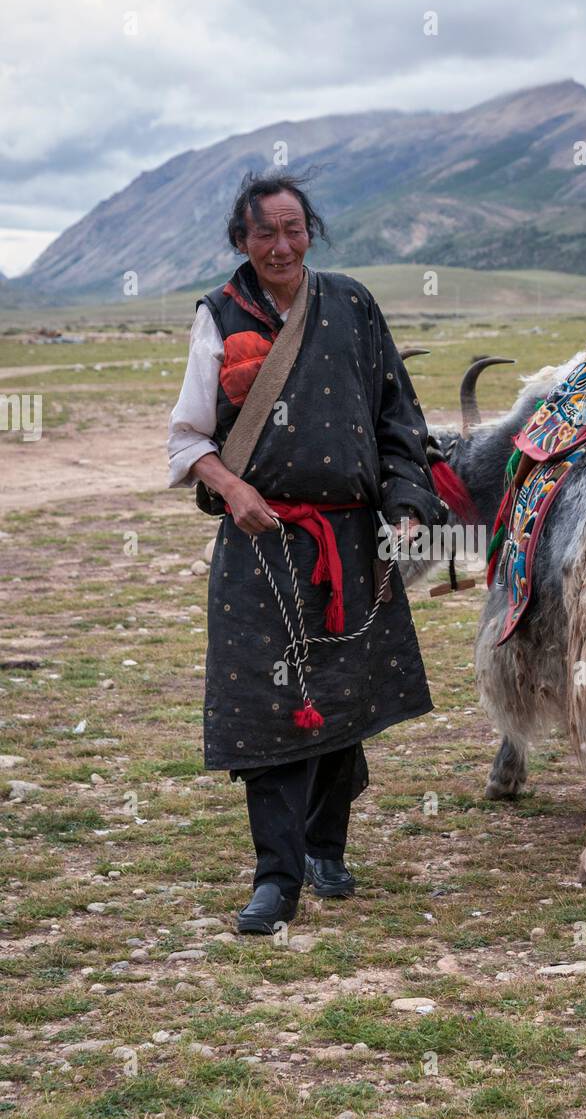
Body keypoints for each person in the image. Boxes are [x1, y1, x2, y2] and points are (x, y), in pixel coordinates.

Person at [167, 172, 446, 934]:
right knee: (271, 708)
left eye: (294, 230)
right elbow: (187, 439)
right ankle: (275, 879)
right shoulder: (220, 317)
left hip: (352, 540)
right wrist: (232, 488)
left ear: (309, 233)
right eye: (266, 233)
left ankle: (326, 847)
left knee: (343, 701)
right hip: (260, 544)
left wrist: (408, 505)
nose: (282, 245)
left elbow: (398, 417)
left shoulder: (351, 304)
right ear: (241, 241)